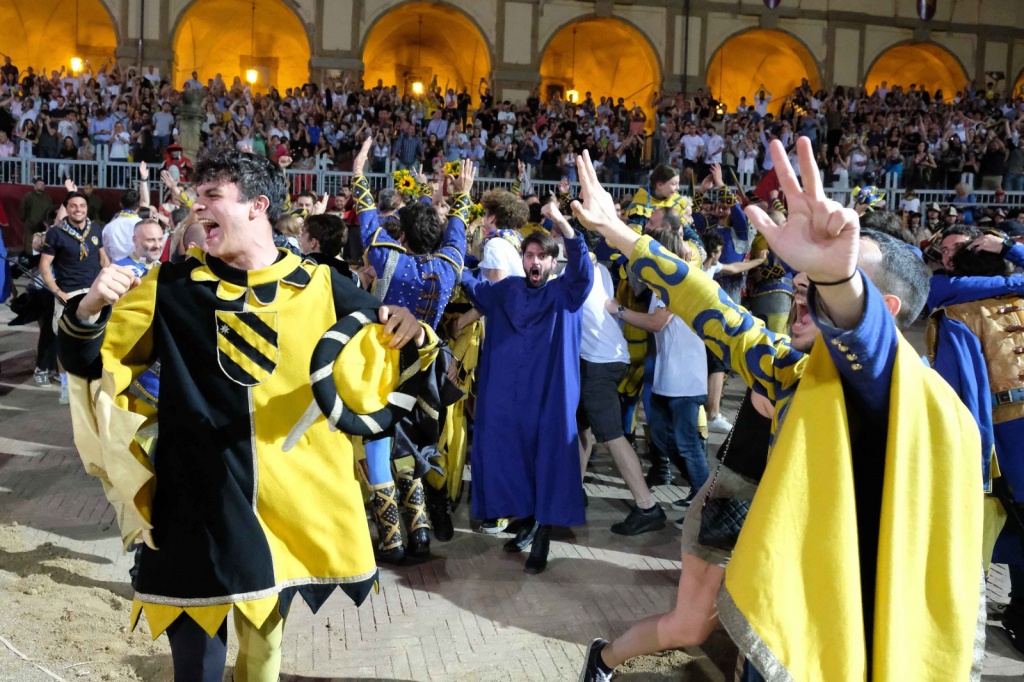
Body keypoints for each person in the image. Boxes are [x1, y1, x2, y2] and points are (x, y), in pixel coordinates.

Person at [572, 139, 984, 682]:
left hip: (865, 602)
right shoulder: (789, 368)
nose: (804, 281)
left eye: (839, 279)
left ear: (879, 311)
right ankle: (602, 663)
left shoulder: (913, 399)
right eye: (809, 273)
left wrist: (838, 283)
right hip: (777, 567)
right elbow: (707, 302)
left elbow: (873, 352)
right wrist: (618, 233)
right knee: (702, 632)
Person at [57, 149, 425, 681]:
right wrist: (88, 309)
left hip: (283, 511)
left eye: (212, 196)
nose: (196, 207)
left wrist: (409, 323)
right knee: (197, 669)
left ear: (258, 206)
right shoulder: (169, 288)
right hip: (192, 505)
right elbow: (89, 361)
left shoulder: (323, 285)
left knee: (262, 664)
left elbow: (387, 351)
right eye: (196, 196)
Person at [350, 136, 472, 562]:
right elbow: (457, 229)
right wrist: (462, 197)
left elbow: (367, 220)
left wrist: (359, 172)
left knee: (380, 444)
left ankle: (392, 540)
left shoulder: (387, 257)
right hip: (426, 366)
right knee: (411, 445)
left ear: (400, 231)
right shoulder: (449, 262)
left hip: (384, 363)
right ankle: (419, 532)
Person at [461, 198, 594, 574]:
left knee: (549, 463)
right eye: (529, 255)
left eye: (541, 257)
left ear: (553, 262)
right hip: (513, 398)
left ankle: (543, 536)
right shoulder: (509, 290)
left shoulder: (566, 292)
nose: (534, 262)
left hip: (549, 400)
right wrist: (458, 258)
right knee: (513, 459)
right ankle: (526, 520)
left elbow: (582, 268)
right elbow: (475, 287)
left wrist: (563, 224)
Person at [39, 191, 107, 404]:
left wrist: (107, 284)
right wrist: (57, 292)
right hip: (68, 294)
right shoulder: (56, 234)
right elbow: (44, 266)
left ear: (87, 208)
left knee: (98, 338)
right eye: (73, 206)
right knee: (64, 341)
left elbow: (104, 260)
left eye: (82, 206)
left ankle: (96, 383)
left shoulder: (96, 229)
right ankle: (66, 386)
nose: (78, 210)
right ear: (66, 208)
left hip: (94, 293)